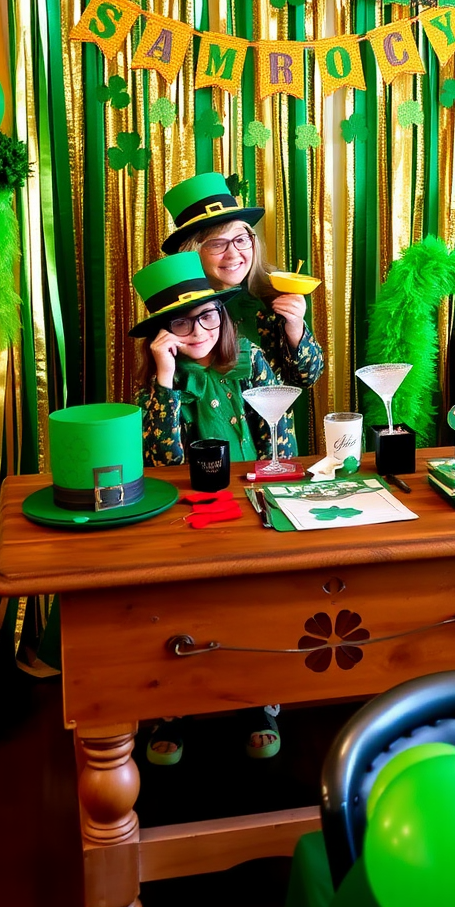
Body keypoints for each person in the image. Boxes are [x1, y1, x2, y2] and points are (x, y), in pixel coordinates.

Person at [130, 251, 292, 765]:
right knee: (185, 610)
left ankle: (254, 703)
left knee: (252, 607)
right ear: (162, 331)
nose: (198, 328)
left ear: (222, 316)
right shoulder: (159, 388)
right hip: (188, 516)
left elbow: (278, 442)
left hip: (253, 506)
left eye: (208, 315)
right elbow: (162, 463)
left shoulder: (252, 362)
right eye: (180, 319)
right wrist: (164, 378)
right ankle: (171, 708)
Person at [161, 173, 324, 395]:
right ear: (192, 252)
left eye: (240, 239)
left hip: (272, 425)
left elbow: (308, 377)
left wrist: (295, 327)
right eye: (217, 244)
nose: (233, 254)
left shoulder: (274, 295)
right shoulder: (177, 309)